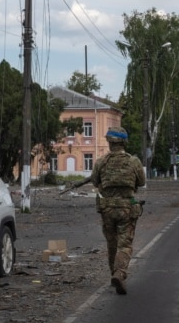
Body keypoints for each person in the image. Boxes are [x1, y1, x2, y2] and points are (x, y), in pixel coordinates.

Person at [75, 126, 146, 295]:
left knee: (111, 244)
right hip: (127, 209)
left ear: (109, 142)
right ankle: (119, 273)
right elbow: (141, 182)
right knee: (125, 244)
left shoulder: (101, 162)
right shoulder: (133, 161)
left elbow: (95, 182)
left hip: (107, 209)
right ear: (124, 142)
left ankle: (113, 275)